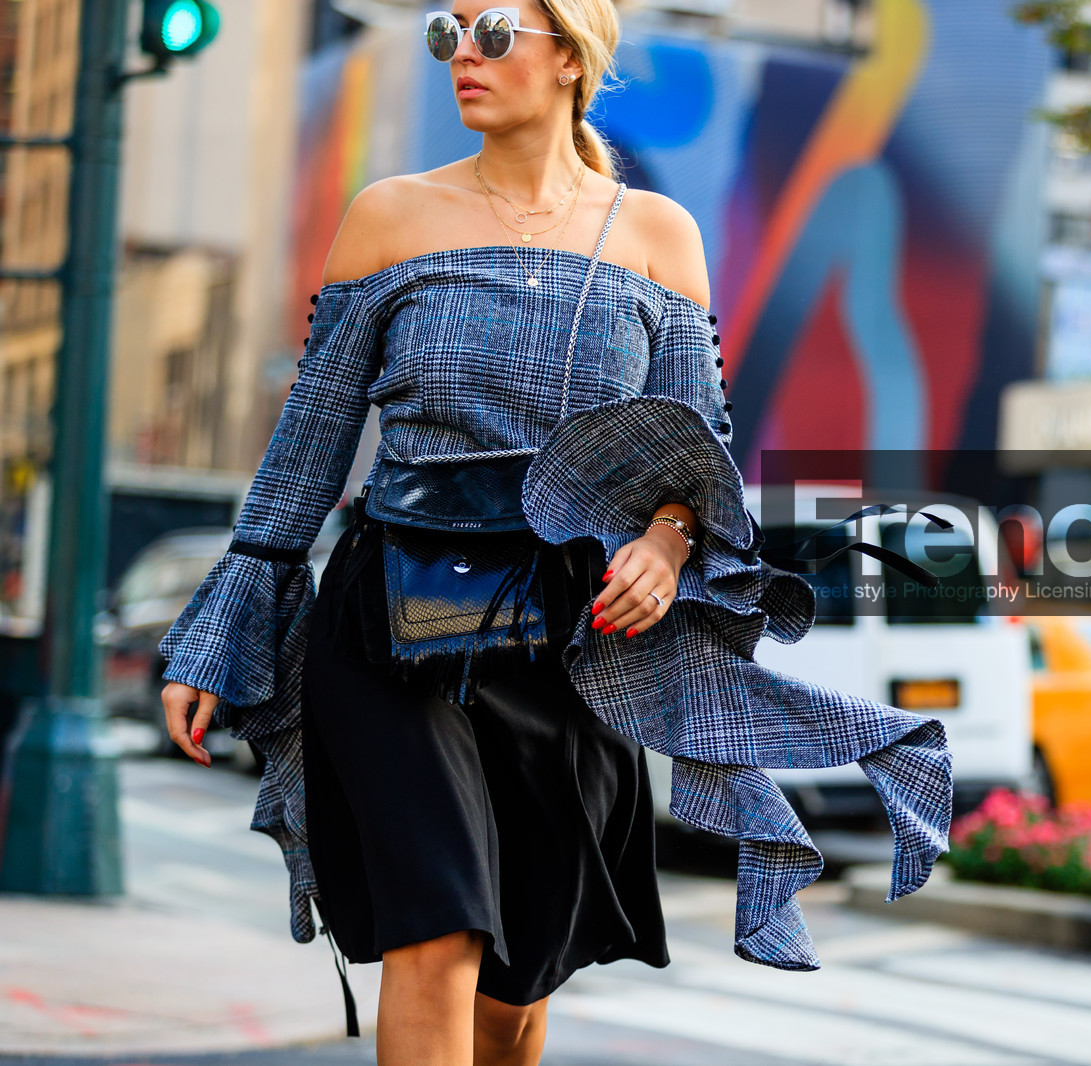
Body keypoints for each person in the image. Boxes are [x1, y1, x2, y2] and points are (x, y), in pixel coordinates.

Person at [154, 4, 953, 1063]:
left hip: (574, 641)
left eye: (492, 31)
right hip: (391, 621)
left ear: (571, 55)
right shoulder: (389, 215)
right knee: (435, 929)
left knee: (522, 974)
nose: (463, 58)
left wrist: (668, 546)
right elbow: (307, 444)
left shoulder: (659, 235)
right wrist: (225, 626)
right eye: (445, 35)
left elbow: (692, 454)